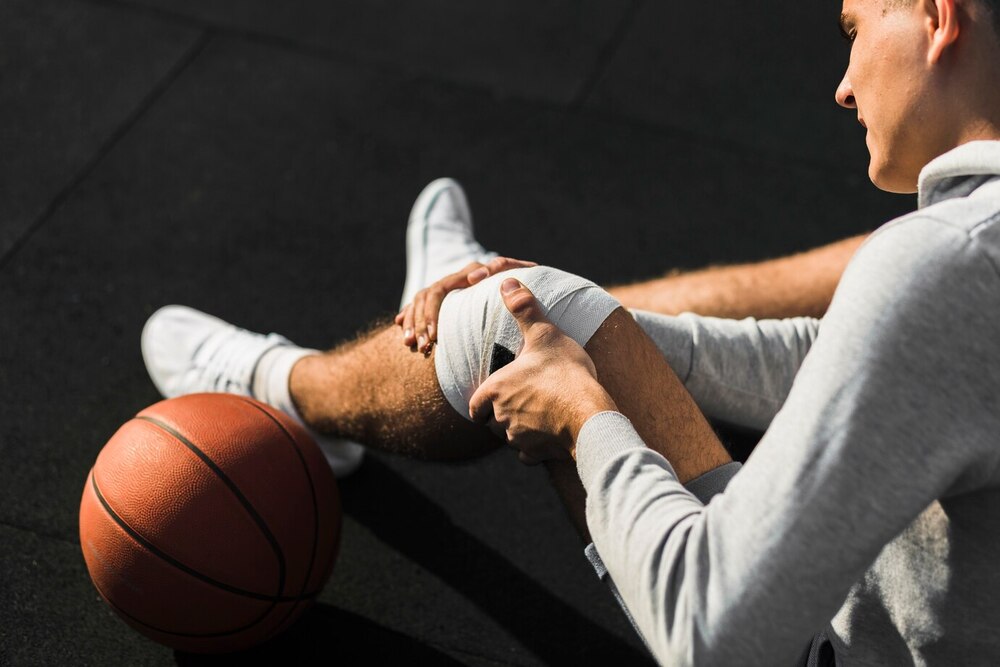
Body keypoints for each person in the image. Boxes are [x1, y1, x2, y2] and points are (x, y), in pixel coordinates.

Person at [139, 0, 1000, 664]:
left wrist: (585, 414)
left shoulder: (949, 262)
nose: (843, 82)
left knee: (502, 327)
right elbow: (854, 352)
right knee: (533, 308)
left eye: (853, 25)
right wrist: (592, 320)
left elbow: (713, 632)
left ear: (936, 15)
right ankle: (319, 385)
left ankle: (286, 390)